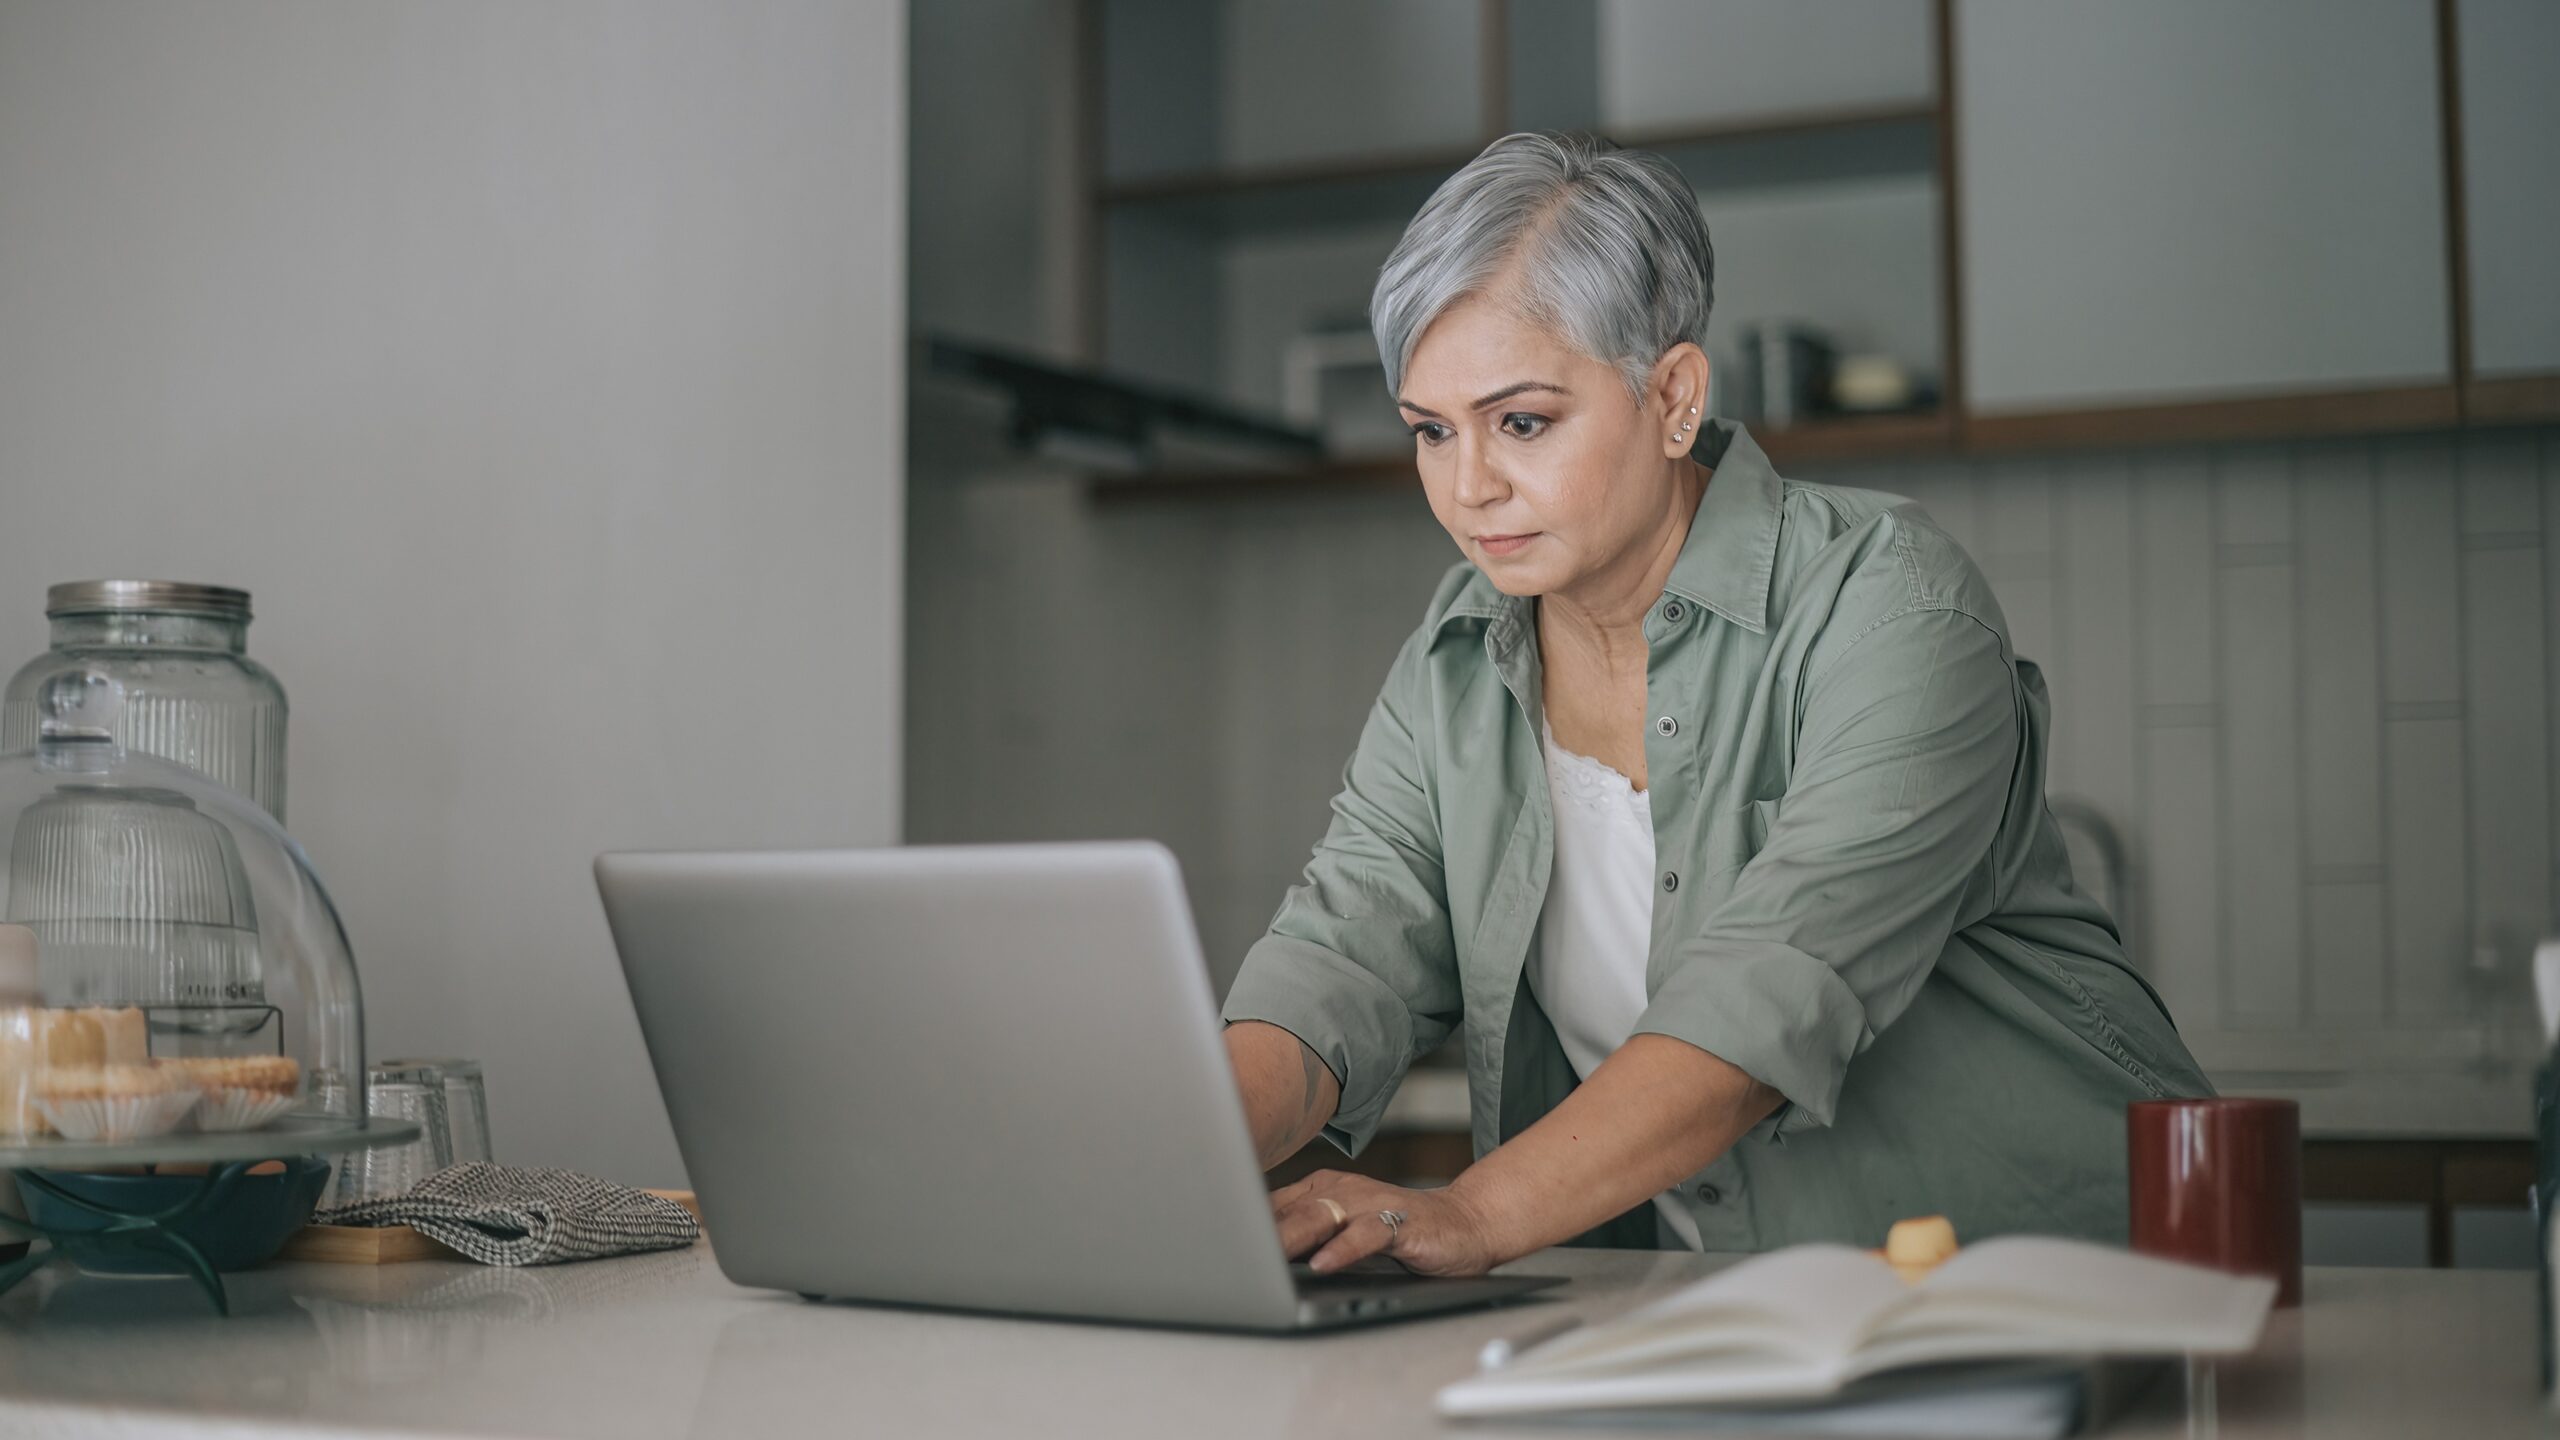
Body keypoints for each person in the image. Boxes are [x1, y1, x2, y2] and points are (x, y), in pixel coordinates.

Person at [1218, 131, 2211, 1278]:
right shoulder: (1454, 659)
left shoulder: (1891, 610)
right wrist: (1165, 1154)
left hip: (2072, 1298)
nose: (1467, 485)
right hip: (1731, 1319)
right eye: (1431, 431)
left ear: (1674, 396)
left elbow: (1762, 1004)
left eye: (1522, 422)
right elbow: (1343, 957)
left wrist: (1472, 1216)